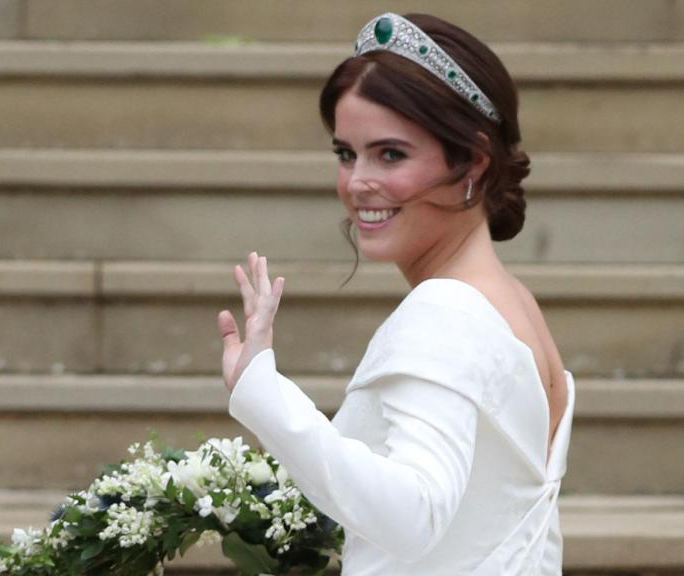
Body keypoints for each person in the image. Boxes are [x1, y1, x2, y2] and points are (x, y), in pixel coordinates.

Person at [217, 12, 575, 575]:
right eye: (345, 153)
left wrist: (264, 394)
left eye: (390, 154)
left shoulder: (446, 311)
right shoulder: (510, 301)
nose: (358, 181)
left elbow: (414, 514)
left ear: (472, 162)